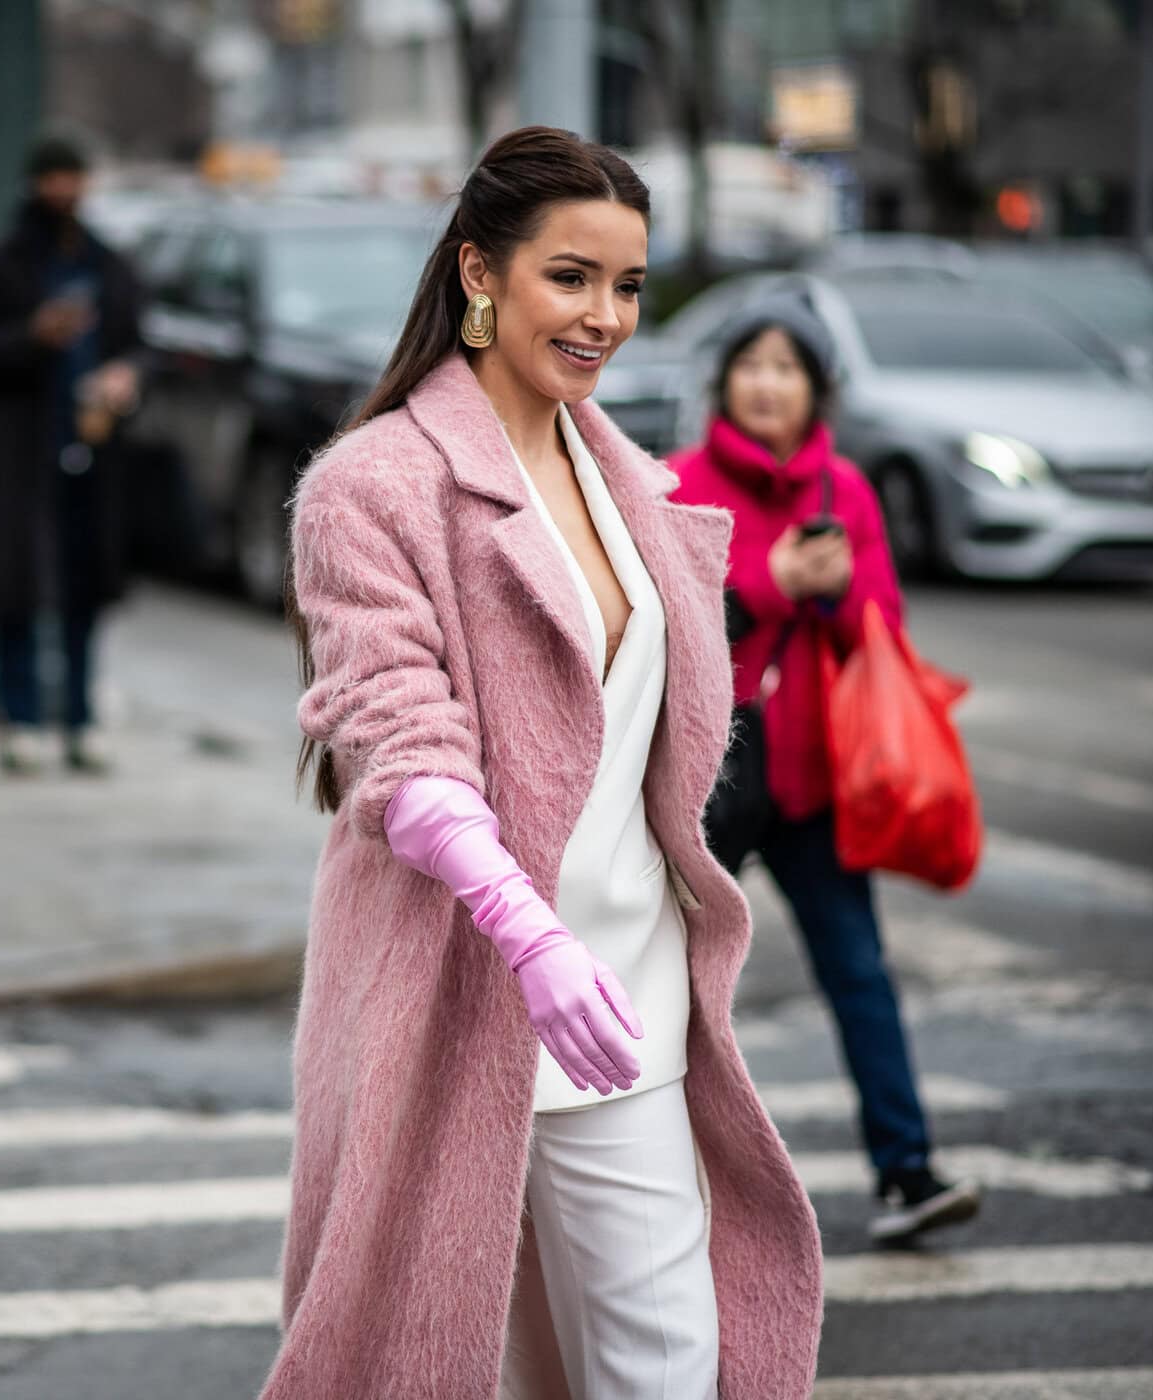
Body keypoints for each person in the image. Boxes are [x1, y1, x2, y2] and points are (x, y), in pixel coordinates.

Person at [266, 127, 821, 1400]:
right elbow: (402, 746)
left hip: (628, 997)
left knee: (665, 1365)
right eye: (570, 277)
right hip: (460, 990)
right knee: (418, 1361)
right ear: (481, 272)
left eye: (628, 285)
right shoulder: (372, 485)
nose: (604, 316)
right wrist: (531, 938)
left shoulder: (627, 478)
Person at [669, 293, 983, 1246]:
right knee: (670, 983)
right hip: (710, 781)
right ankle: (658, 1183)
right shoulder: (678, 482)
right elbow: (666, 629)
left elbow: (881, 631)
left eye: (787, 369)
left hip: (815, 786)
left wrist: (839, 591)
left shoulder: (843, 491)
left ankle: (907, 1170)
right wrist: (772, 585)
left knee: (859, 975)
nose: (767, 386)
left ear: (816, 391)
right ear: (724, 382)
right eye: (751, 366)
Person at [0, 135, 143, 776]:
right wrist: (33, 336)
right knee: (17, 584)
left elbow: (138, 343)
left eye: (74, 177)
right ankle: (19, 717)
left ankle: (80, 718)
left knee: (83, 586)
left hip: (92, 447)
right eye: (55, 178)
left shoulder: (107, 263)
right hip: (19, 453)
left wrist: (125, 376)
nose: (65, 191)